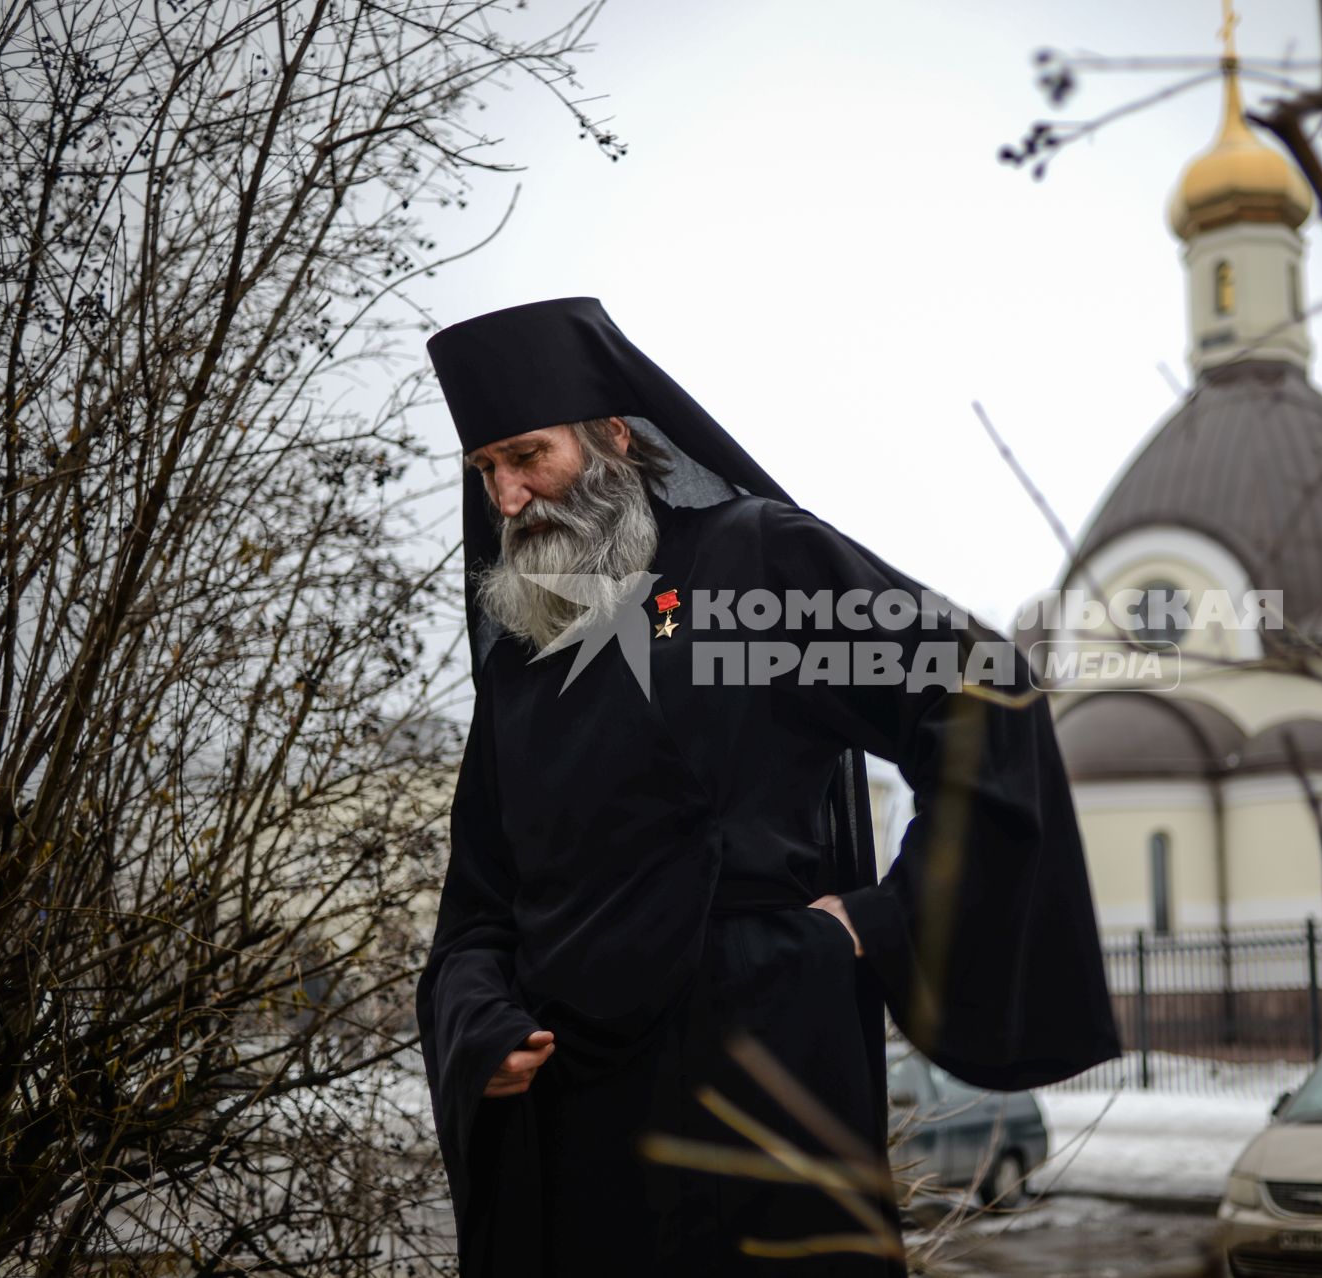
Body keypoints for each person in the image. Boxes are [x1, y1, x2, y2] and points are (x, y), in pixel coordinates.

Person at [416, 297, 1120, 1275]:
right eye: (486, 469)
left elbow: (980, 694)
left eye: (527, 455)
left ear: (613, 434)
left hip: (759, 1068)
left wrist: (879, 922)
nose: (508, 495)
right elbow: (482, 907)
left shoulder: (755, 561)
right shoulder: (523, 665)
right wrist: (477, 1021)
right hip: (570, 1117)